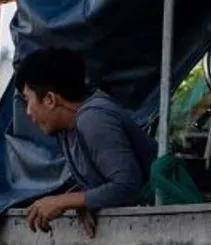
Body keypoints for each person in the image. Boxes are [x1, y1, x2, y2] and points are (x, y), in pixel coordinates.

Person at [17, 47, 155, 234]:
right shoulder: (66, 130)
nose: (28, 113)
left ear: (50, 99)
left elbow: (128, 185)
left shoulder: (93, 119)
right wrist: (82, 201)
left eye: (28, 100)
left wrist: (66, 201)